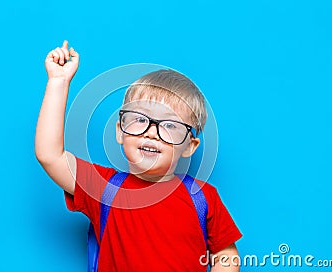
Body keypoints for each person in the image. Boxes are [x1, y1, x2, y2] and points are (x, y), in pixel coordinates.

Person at [35, 40, 242, 271]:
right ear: (119, 131)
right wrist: (58, 82)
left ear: (190, 146)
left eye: (170, 125)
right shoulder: (103, 189)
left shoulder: (203, 198)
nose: (152, 133)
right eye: (141, 120)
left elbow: (226, 253)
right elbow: (50, 155)